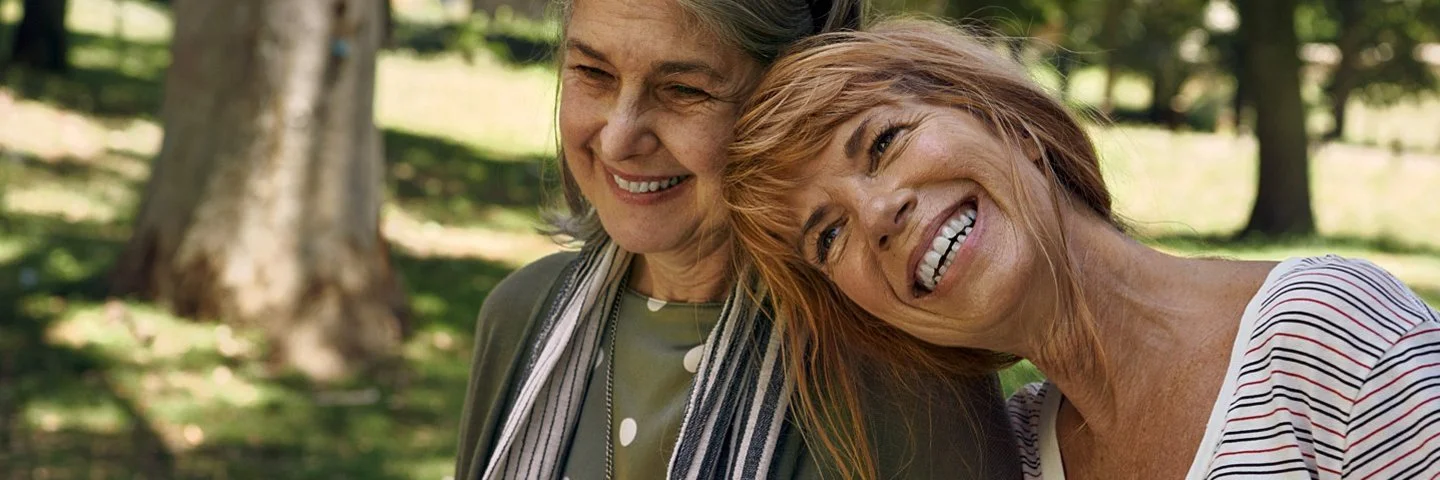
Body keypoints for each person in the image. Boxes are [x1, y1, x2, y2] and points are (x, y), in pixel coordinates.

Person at [723, 19, 1440, 479]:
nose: (878, 214)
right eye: (829, 234)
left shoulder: (1330, 335)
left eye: (884, 142)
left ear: (1012, 125)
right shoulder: (1010, 458)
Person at [453, 3, 1020, 479]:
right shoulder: (521, 317)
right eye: (593, 73)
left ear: (791, 104)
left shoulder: (902, 374)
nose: (620, 137)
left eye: (683, 89)